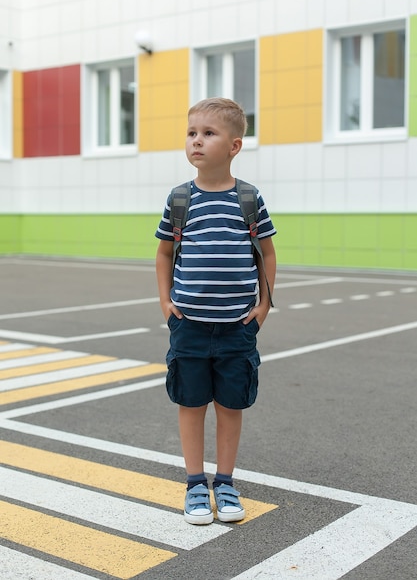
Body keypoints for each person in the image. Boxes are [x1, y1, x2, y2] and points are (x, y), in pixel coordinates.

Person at [155, 97, 276, 525]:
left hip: (236, 327)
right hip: (188, 325)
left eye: (209, 133)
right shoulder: (179, 199)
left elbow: (267, 252)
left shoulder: (248, 198)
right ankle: (194, 485)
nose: (197, 141)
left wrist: (264, 304)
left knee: (230, 406)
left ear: (235, 145)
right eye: (192, 133)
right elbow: (165, 252)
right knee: (190, 404)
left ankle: (224, 483)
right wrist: (167, 303)